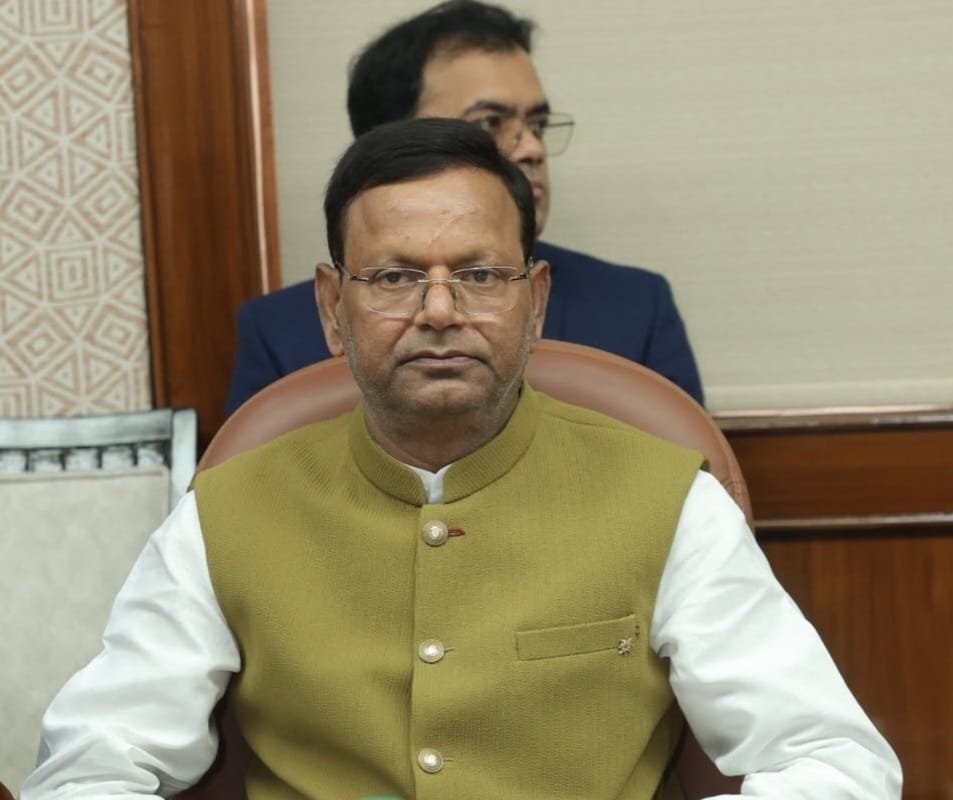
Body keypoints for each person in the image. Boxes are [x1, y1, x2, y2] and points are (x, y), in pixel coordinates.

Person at [22, 119, 900, 799]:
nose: (439, 311)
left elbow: (832, 760)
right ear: (331, 309)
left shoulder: (668, 503)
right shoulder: (225, 514)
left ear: (535, 301)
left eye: (479, 277)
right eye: (394, 277)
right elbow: (95, 760)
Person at [225, 0, 704, 414]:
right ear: (392, 142)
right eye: (491, 122)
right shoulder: (280, 333)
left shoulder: (634, 307)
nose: (531, 148)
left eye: (537, 123)